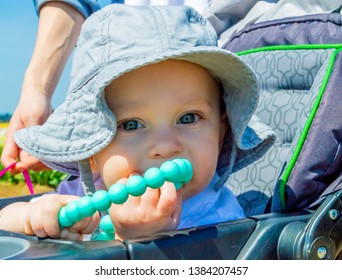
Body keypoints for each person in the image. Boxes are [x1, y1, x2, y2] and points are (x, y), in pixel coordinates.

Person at [0, 5, 275, 240]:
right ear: (91, 150)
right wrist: (31, 218)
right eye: (131, 125)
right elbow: (4, 223)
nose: (166, 147)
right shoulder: (83, 192)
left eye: (188, 118)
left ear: (220, 132)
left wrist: (141, 242)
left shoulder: (221, 221)